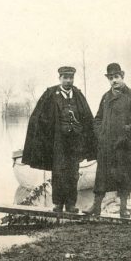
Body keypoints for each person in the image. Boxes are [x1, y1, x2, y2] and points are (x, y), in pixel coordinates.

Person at [22, 66, 97, 213]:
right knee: (58, 172)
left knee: (73, 173)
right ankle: (58, 204)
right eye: (65, 77)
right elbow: (37, 117)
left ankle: (71, 204)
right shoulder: (50, 94)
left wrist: (85, 136)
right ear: (60, 78)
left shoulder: (78, 95)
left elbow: (88, 118)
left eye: (71, 78)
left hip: (75, 143)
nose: (68, 81)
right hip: (58, 143)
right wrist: (46, 134)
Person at [84, 63, 131, 218]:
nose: (114, 81)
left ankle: (123, 208)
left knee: (124, 176)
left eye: (116, 77)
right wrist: (100, 134)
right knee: (102, 176)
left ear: (122, 76)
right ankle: (96, 207)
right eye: (111, 78)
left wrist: (126, 131)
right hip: (106, 144)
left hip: (124, 144)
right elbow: (97, 119)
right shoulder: (106, 97)